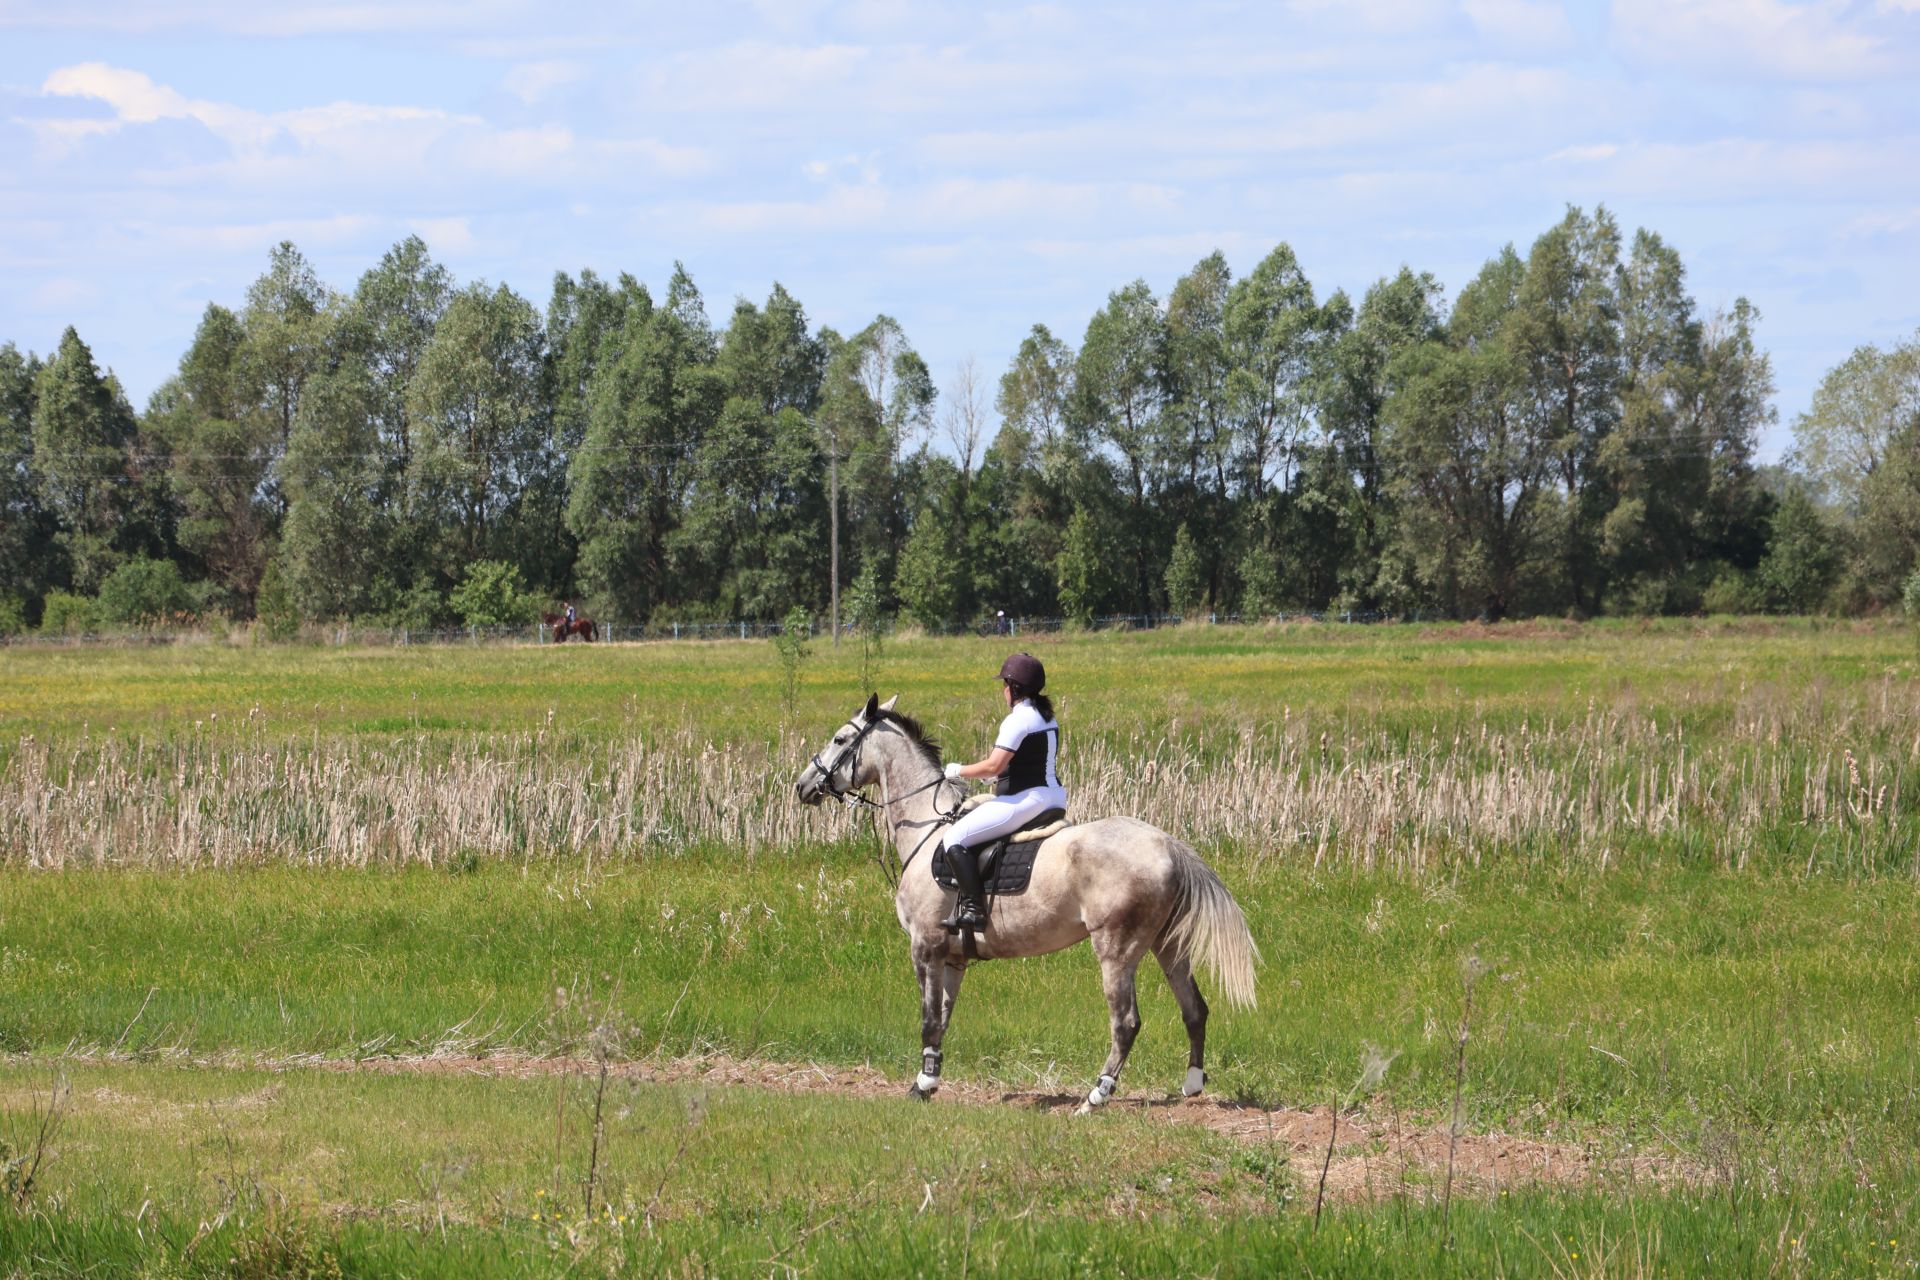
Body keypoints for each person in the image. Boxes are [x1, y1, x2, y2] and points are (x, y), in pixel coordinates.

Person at [937, 652, 1066, 932]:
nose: (1003, 690)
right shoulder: (1046, 716)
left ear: (1014, 687)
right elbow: (1015, 764)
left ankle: (974, 910)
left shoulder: (1018, 720)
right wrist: (994, 776)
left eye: (1005, 685)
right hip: (1054, 796)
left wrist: (957, 770)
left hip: (1026, 800)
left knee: (954, 837)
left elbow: (994, 764)